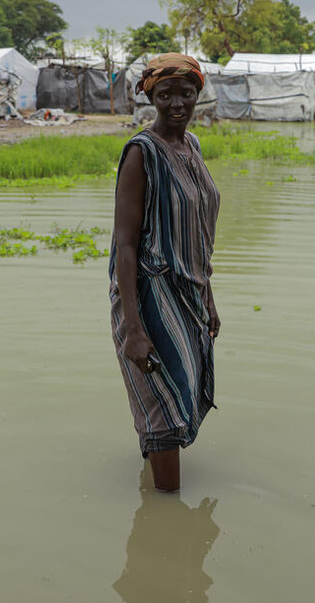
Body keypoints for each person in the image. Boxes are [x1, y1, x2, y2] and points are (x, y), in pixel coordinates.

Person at [110, 53, 220, 493]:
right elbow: (125, 244)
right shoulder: (142, 152)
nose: (177, 104)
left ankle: (154, 499)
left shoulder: (192, 146)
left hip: (189, 295)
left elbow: (197, 232)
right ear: (151, 98)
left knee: (171, 395)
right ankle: (167, 511)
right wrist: (133, 329)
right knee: (163, 409)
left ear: (197, 95)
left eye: (186, 94)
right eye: (166, 95)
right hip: (149, 298)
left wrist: (208, 296)